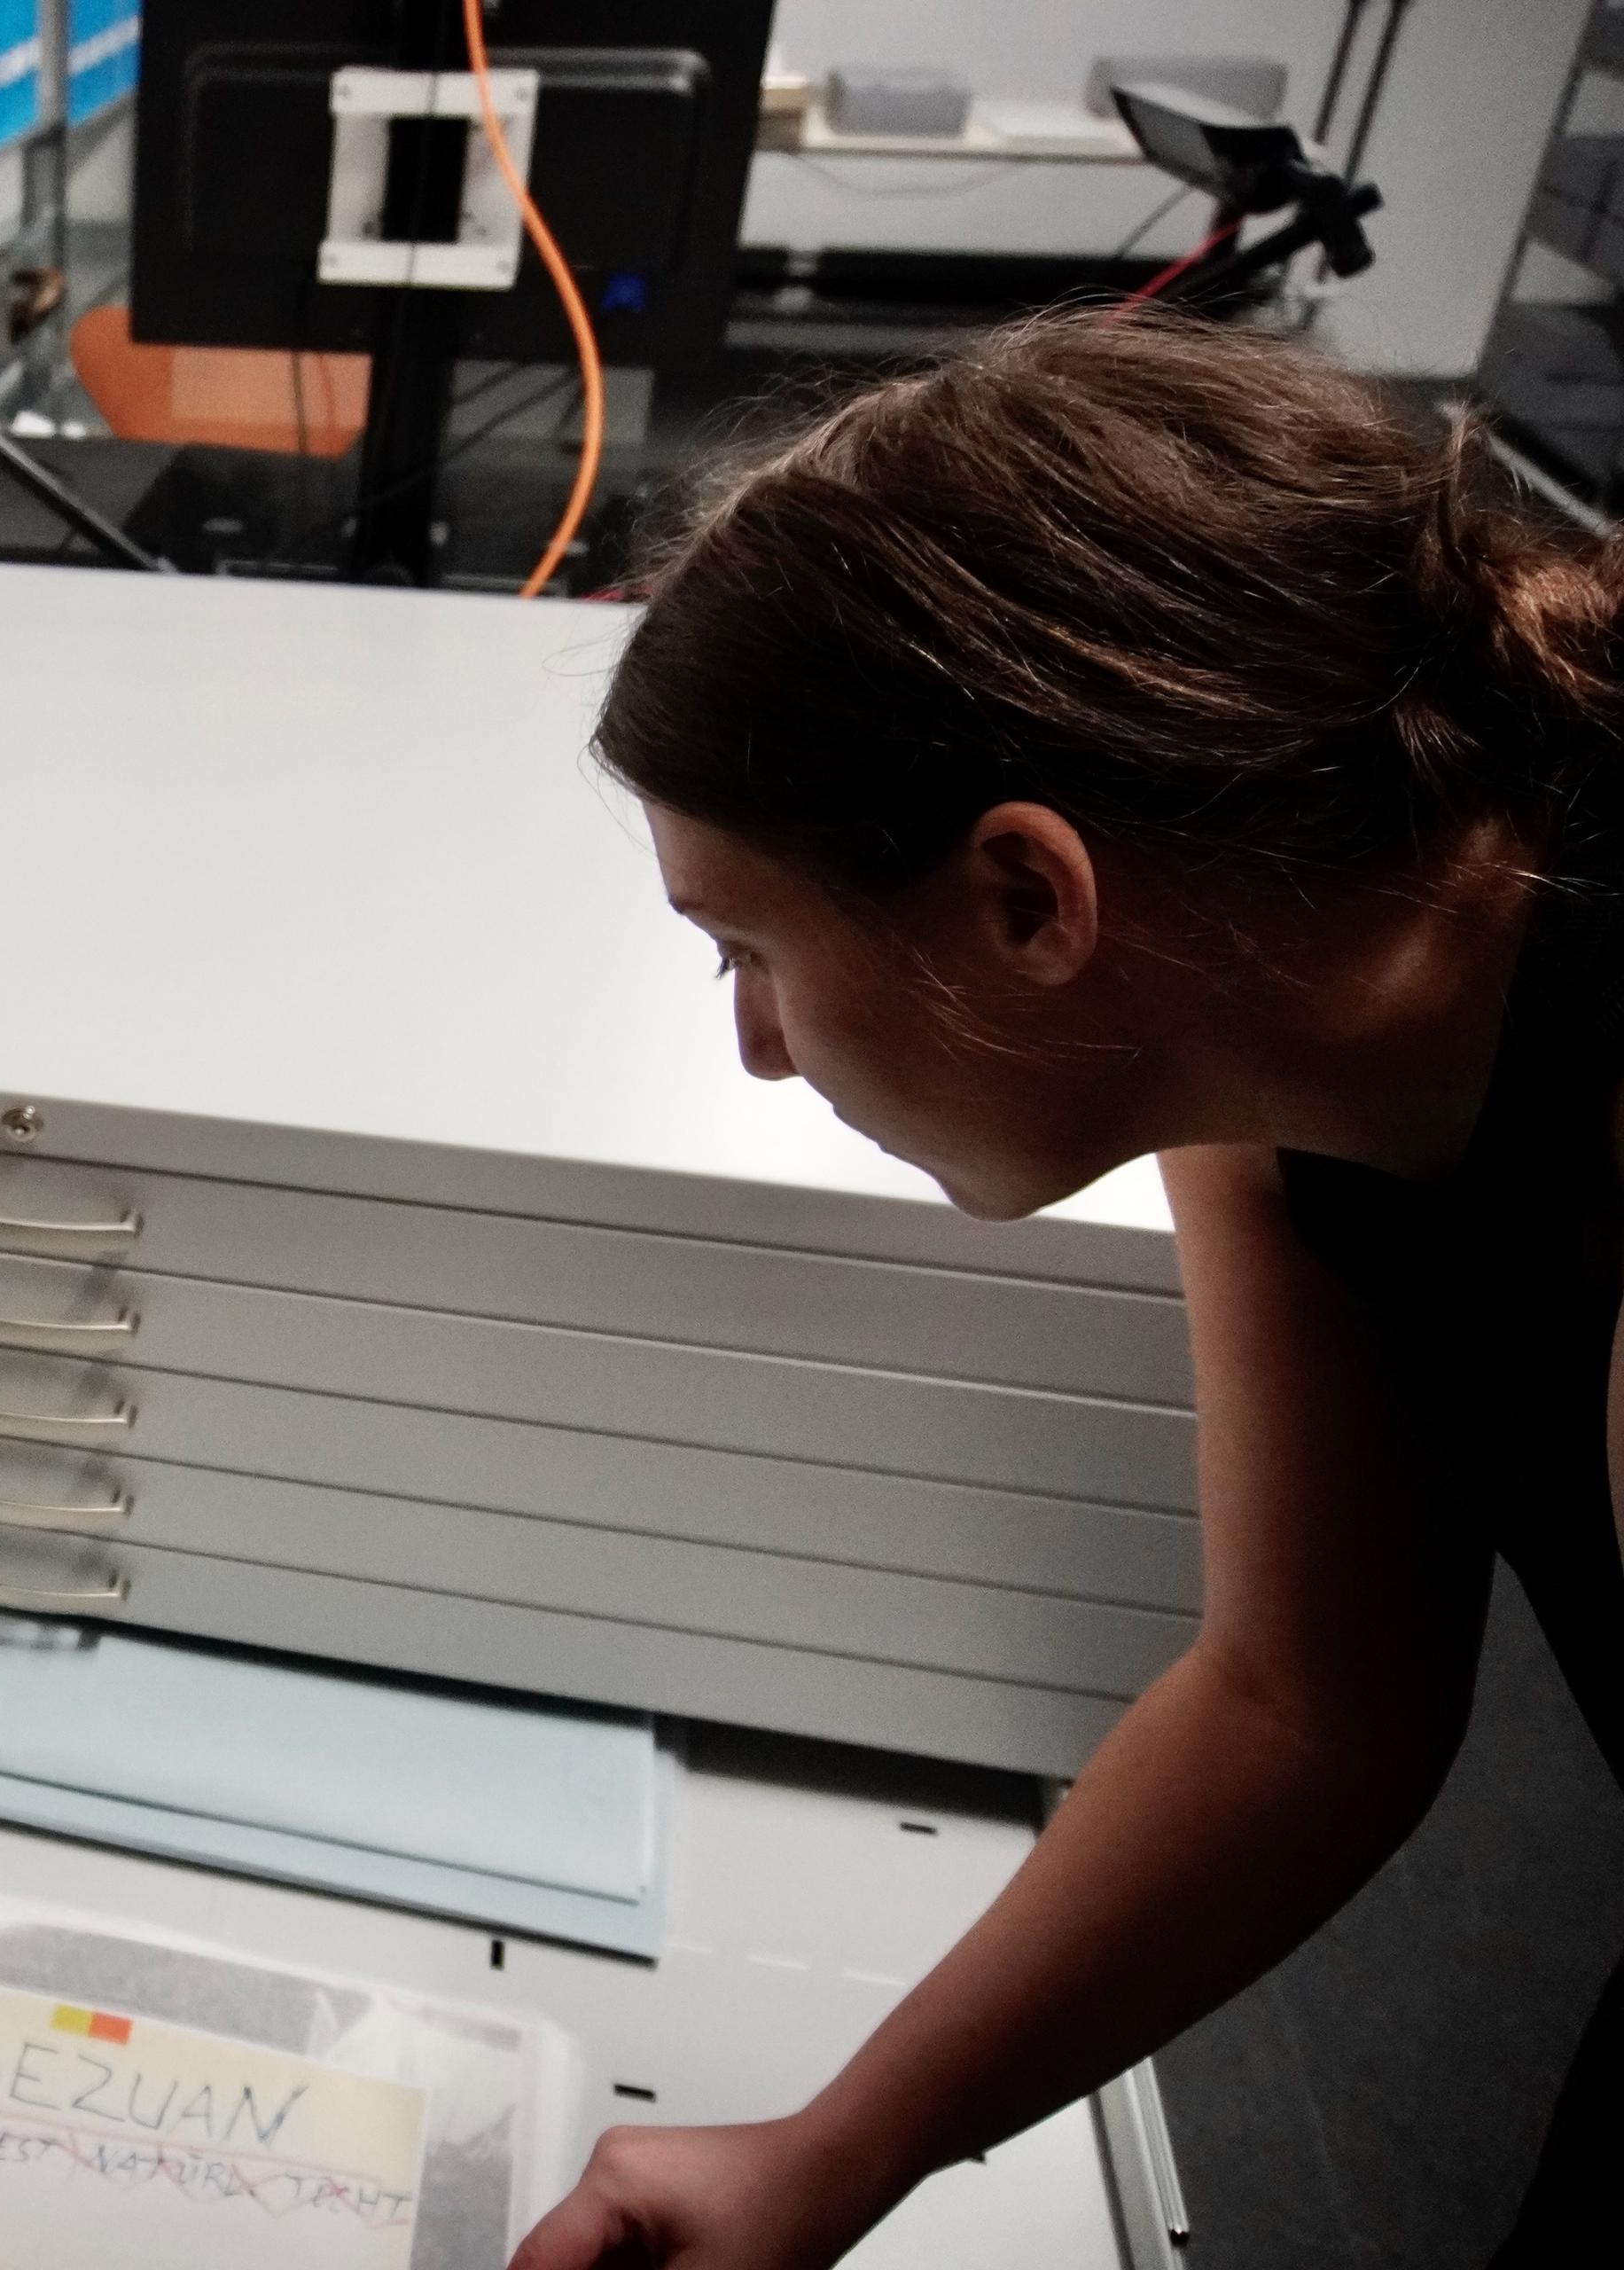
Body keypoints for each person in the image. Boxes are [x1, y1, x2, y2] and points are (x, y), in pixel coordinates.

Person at [509, 311, 1618, 2268]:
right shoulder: (1270, 999)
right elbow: (1306, 1694)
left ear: (1030, 899)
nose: (759, 1044)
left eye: (749, 946)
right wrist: (837, 2148)